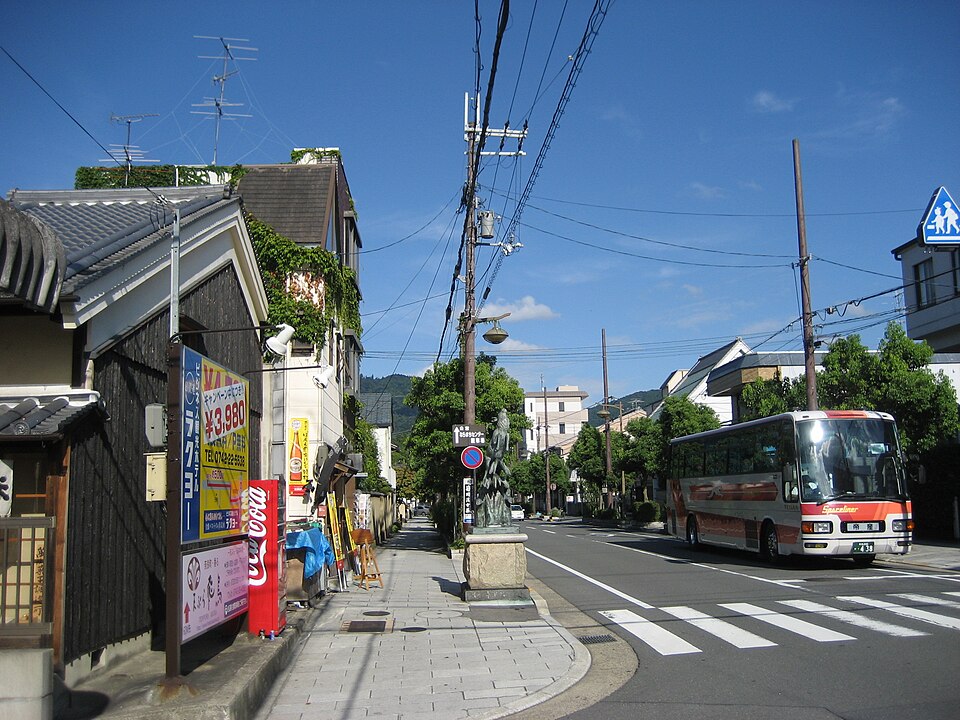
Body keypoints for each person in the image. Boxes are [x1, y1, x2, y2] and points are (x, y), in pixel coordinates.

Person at [475, 409, 513, 527]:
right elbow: (495, 449)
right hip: (491, 458)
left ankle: (503, 518)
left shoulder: (506, 434)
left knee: (503, 484)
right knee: (488, 478)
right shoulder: (497, 432)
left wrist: (502, 465)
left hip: (498, 459)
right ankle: (482, 504)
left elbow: (504, 450)